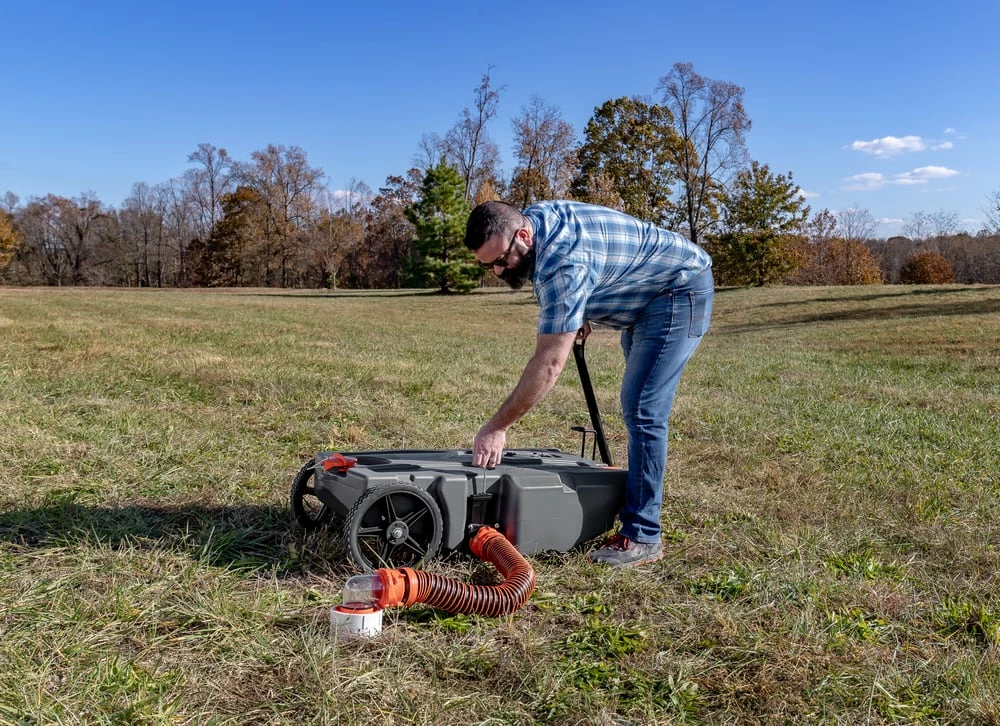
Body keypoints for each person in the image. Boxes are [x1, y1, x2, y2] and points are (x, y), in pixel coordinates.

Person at [464, 200, 714, 568]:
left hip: (678, 290)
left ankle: (643, 534)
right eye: (488, 265)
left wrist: (497, 426)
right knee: (640, 406)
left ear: (523, 235)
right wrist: (578, 307)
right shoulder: (538, 221)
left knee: (643, 408)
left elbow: (549, 363)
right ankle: (633, 505)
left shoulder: (563, 264)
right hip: (646, 295)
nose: (499, 270)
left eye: (502, 259)